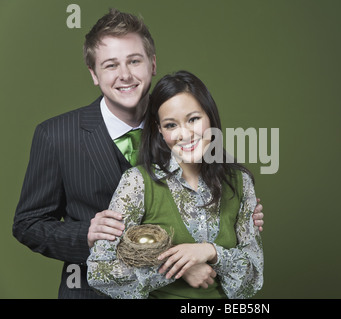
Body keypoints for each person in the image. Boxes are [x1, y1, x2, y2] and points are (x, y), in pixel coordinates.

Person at [12, 9, 264, 299]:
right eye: (110, 65)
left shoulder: (181, 131)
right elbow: (28, 225)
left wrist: (241, 211)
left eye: (134, 61)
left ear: (152, 64)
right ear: (94, 74)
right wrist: (87, 234)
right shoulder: (56, 136)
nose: (125, 75)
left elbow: (216, 198)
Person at [87, 70, 263, 299]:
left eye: (193, 119)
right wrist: (178, 270)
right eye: (171, 125)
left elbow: (252, 280)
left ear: (210, 117)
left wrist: (210, 252)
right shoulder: (137, 183)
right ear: (159, 130)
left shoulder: (239, 182)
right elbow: (99, 272)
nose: (185, 134)